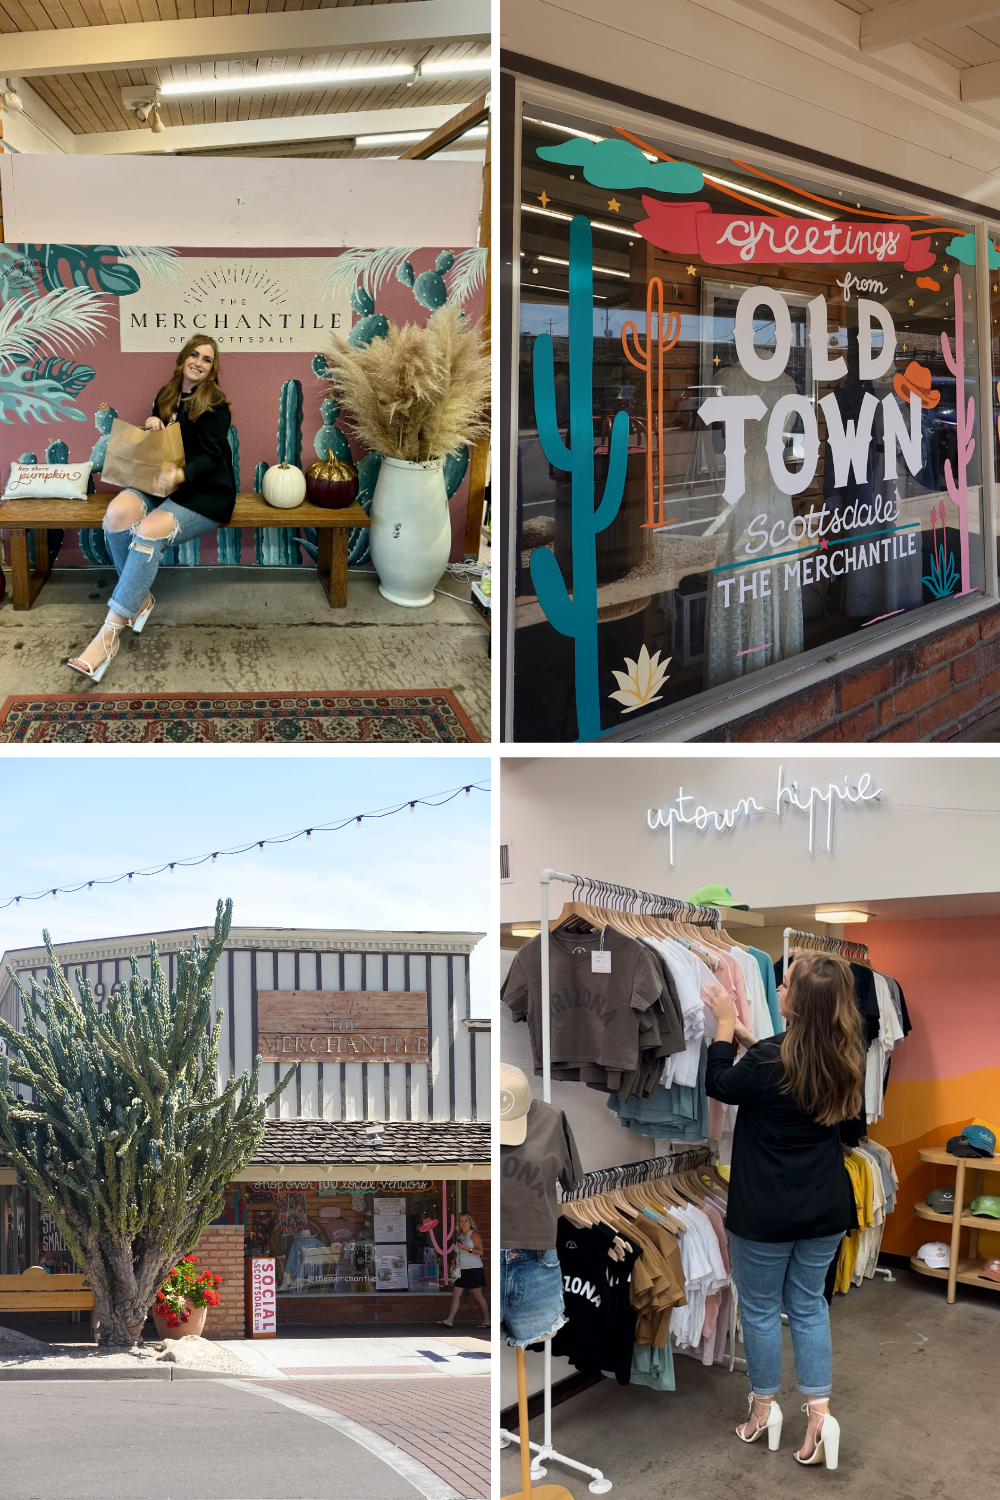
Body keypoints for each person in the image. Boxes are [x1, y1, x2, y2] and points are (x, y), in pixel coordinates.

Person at [702, 951, 864, 1472]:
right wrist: (752, 1039)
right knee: (810, 1306)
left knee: (762, 1310)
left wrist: (725, 1025)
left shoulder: (771, 1062)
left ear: (801, 1001)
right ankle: (820, 1418)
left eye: (786, 983)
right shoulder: (845, 1057)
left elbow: (722, 1084)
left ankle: (763, 1411)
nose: (779, 989)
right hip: (824, 1207)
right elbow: (784, 1073)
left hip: (766, 1212)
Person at [67, 336, 237, 681]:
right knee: (117, 514)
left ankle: (108, 636)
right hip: (160, 480)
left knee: (147, 532)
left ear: (211, 370)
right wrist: (153, 422)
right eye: (195, 355)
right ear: (183, 358)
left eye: (207, 360)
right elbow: (163, 436)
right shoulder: (168, 392)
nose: (200, 362)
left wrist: (181, 473)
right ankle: (139, 601)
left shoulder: (216, 404)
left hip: (206, 490)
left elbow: (211, 457)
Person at [436, 1214, 489, 1328]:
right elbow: (457, 1253)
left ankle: (487, 1320)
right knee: (456, 1295)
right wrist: (453, 1263)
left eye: (466, 1220)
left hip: (474, 1269)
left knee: (478, 1295)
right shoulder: (460, 1236)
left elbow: (481, 1252)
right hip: (462, 1271)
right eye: (461, 1221)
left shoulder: (473, 1234)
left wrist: (467, 1249)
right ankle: (449, 1321)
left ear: (470, 1222)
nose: (463, 1222)